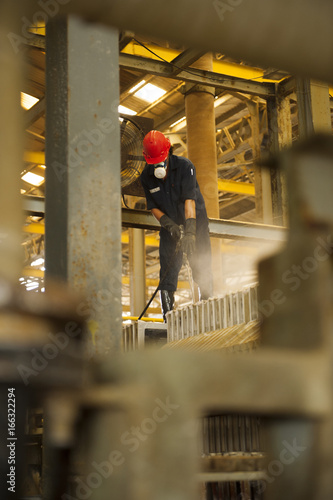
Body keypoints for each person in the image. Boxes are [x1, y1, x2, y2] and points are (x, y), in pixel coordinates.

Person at [140, 130, 213, 321]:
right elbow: (153, 207)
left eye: (161, 160)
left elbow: (190, 201)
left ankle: (207, 310)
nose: (158, 166)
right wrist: (169, 226)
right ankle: (168, 317)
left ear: (169, 152)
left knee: (200, 262)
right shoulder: (146, 176)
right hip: (169, 225)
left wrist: (190, 232)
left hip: (194, 222)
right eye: (154, 162)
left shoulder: (184, 167)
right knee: (168, 269)